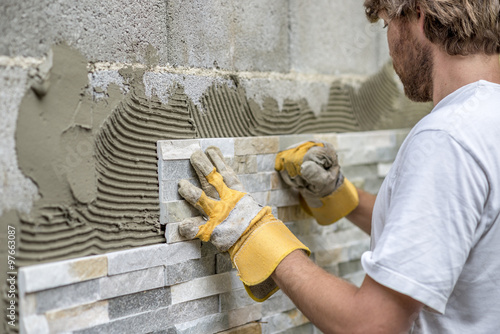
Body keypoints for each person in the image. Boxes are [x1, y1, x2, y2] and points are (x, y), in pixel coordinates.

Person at [177, 1, 500, 332]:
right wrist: (342, 196)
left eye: (387, 25)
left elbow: (369, 325)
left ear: (419, 13)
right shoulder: (485, 122)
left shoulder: (447, 137)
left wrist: (254, 234)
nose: (389, 47)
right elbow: (445, 236)